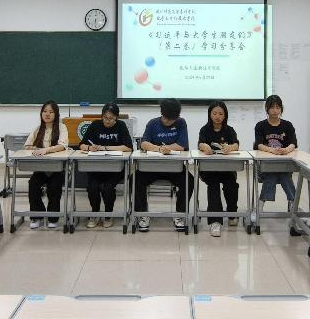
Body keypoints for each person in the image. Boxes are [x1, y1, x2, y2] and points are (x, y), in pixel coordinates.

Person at [135, 98, 195, 232]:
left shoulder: (181, 123)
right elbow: (144, 143)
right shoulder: (153, 123)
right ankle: (142, 214)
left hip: (174, 168)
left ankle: (180, 214)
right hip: (152, 168)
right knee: (135, 179)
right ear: (162, 113)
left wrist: (168, 149)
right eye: (166, 118)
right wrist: (159, 149)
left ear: (177, 117)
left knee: (189, 181)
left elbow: (181, 145)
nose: (167, 121)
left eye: (171, 119)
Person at [78, 102, 133, 228]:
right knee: (92, 187)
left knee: (107, 188)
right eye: (105, 118)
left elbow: (128, 147)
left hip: (115, 169)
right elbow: (82, 145)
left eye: (111, 118)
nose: (107, 121)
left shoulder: (121, 125)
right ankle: (95, 213)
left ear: (116, 118)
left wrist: (105, 148)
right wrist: (89, 148)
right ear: (102, 116)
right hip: (96, 167)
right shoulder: (95, 125)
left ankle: (108, 214)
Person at [197, 101, 240, 237]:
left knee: (231, 185)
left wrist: (230, 148)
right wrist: (205, 147)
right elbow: (200, 144)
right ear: (210, 114)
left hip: (227, 168)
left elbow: (236, 145)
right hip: (209, 170)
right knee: (213, 186)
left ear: (225, 115)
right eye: (214, 113)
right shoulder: (205, 129)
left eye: (221, 114)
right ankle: (215, 221)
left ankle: (232, 214)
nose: (217, 116)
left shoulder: (229, 130)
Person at [24, 100, 69, 229]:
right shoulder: (38, 129)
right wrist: (36, 149)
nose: (47, 114)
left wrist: (46, 150)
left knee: (54, 187)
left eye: (51, 112)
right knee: (33, 184)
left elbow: (62, 146)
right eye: (44, 111)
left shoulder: (61, 127)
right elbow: (27, 146)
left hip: (57, 168)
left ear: (56, 114)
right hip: (41, 168)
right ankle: (37, 215)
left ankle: (53, 217)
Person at [254, 95, 297, 207]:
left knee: (281, 174)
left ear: (281, 109)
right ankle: (293, 203)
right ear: (267, 109)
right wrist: (272, 150)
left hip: (284, 165)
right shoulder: (260, 125)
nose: (275, 110)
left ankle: (261, 205)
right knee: (272, 174)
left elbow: (293, 143)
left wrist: (286, 150)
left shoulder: (288, 125)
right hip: (266, 165)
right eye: (272, 107)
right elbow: (259, 145)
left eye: (278, 107)